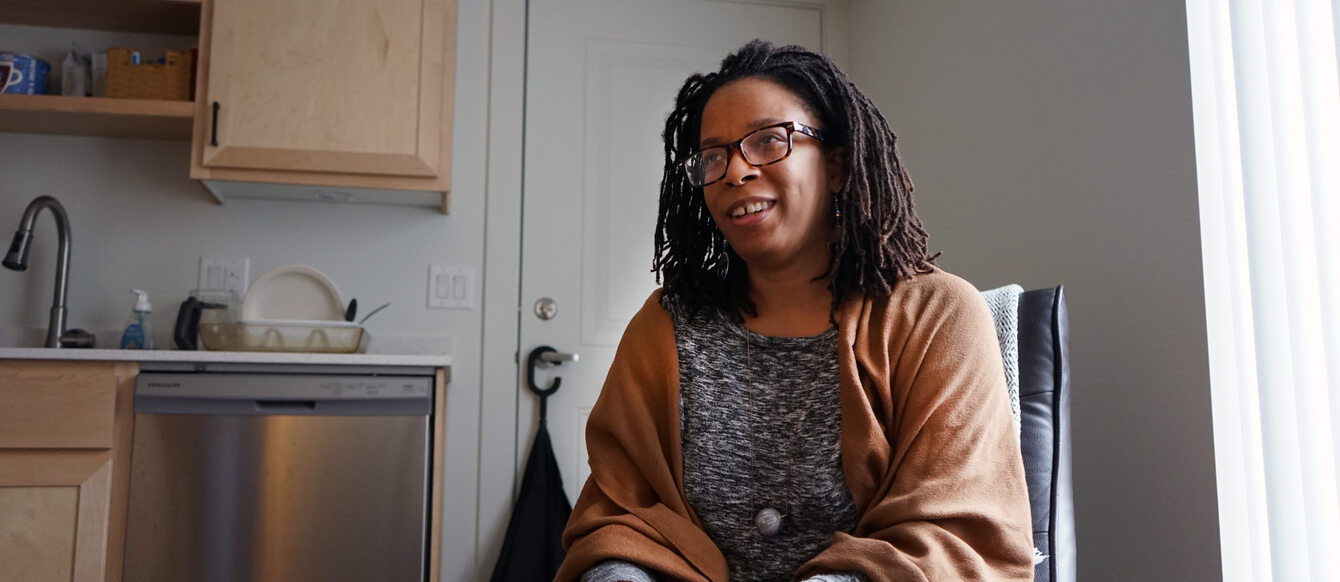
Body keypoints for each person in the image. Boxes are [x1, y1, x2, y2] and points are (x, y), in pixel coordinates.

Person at [555, 39, 1033, 582]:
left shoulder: (936, 315)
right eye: (713, 156)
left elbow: (952, 535)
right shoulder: (665, 325)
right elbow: (619, 517)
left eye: (767, 141)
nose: (735, 172)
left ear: (835, 164)